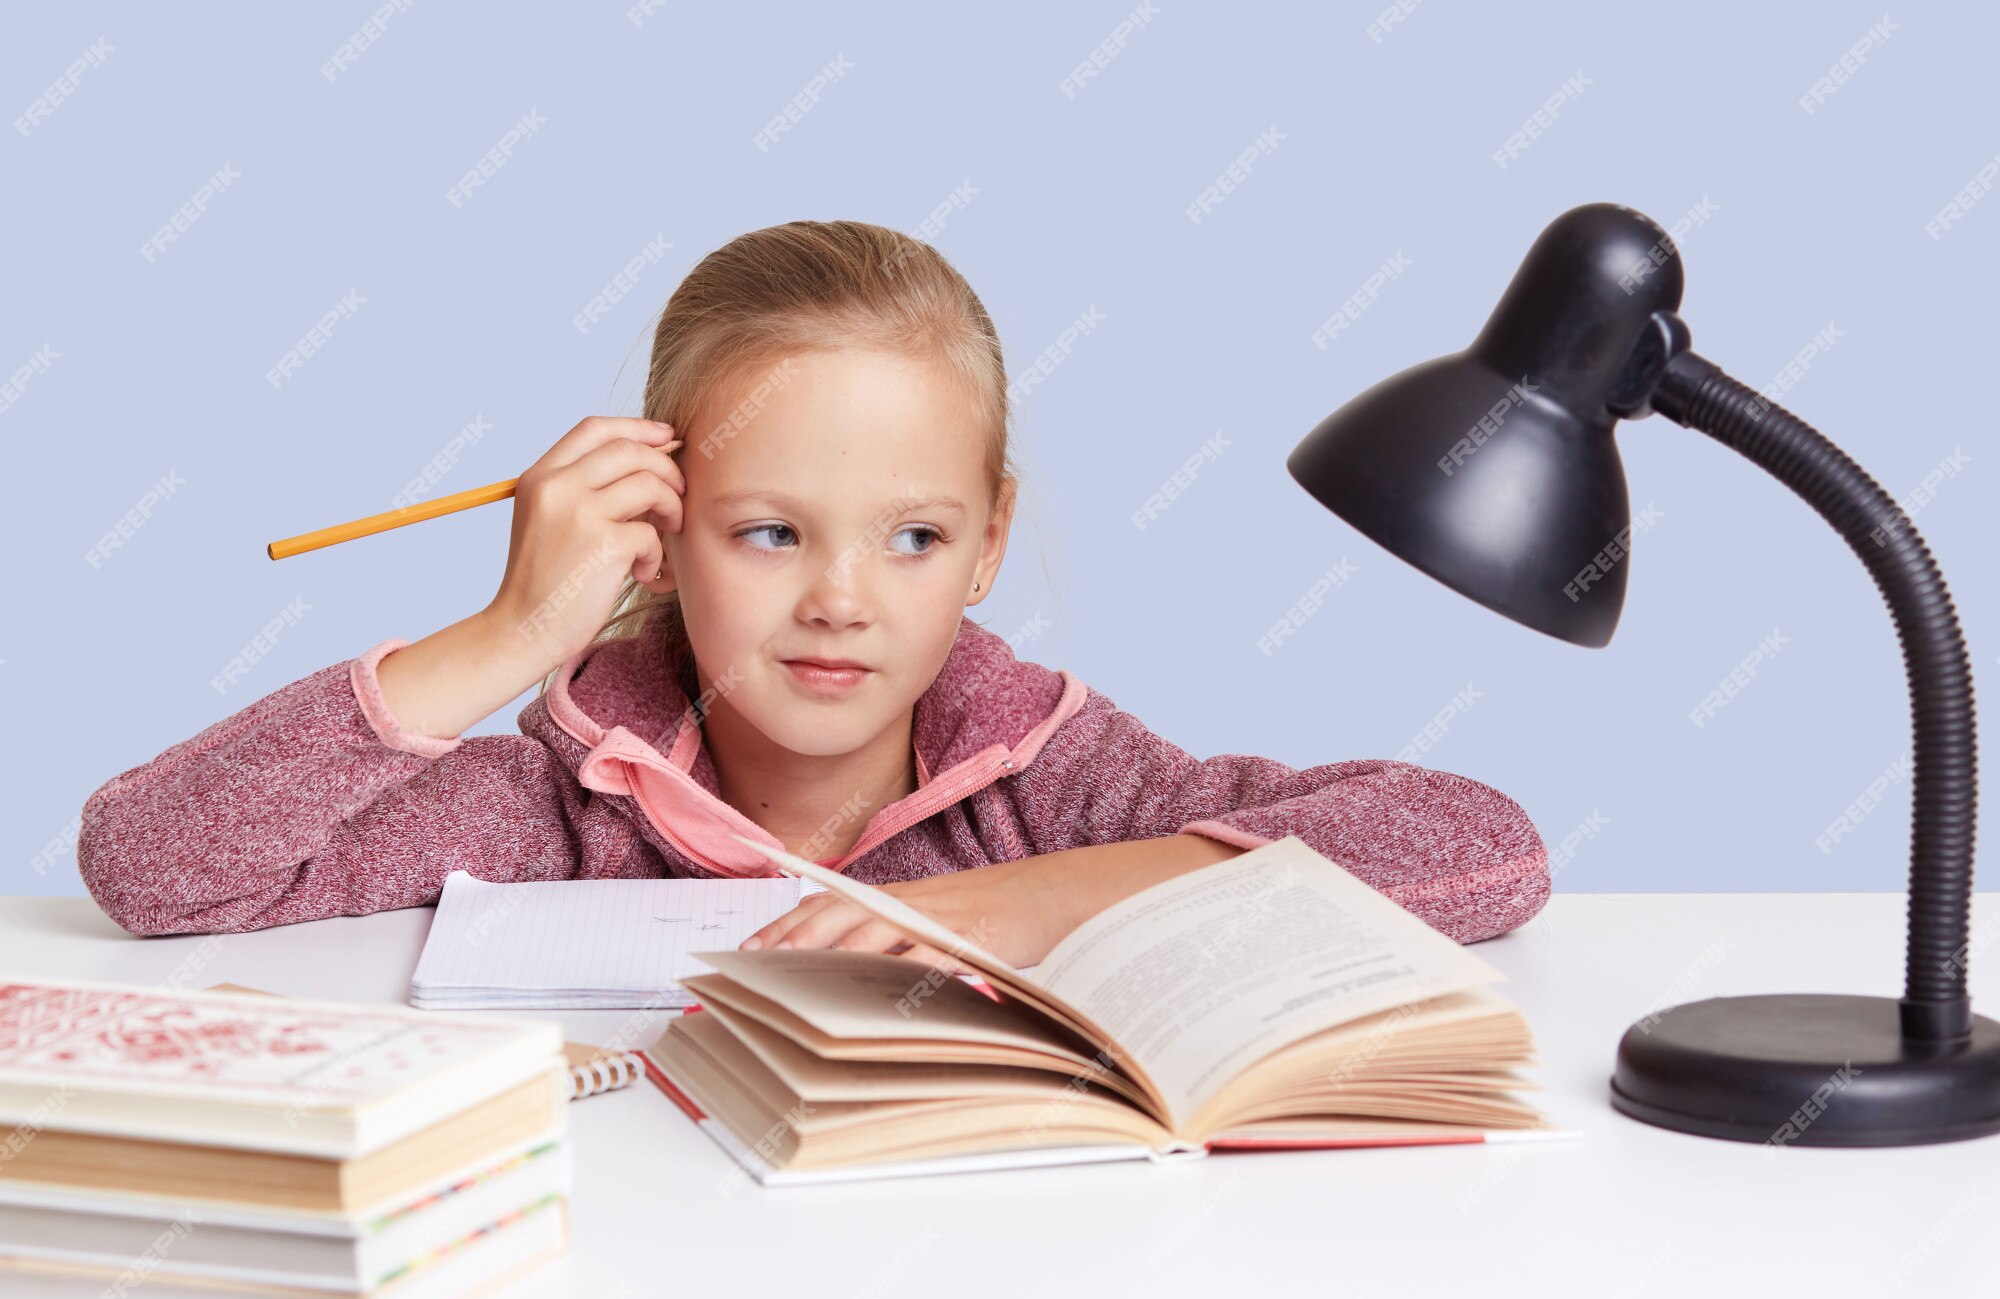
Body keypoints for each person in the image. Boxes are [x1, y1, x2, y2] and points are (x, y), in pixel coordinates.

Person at [77, 220, 1549, 967]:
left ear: (988, 544)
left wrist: (994, 908)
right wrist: (512, 633)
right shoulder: (558, 808)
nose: (843, 599)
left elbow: (1482, 851)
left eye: (912, 538)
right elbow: (155, 868)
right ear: (656, 532)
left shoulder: (1056, 777)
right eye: (771, 532)